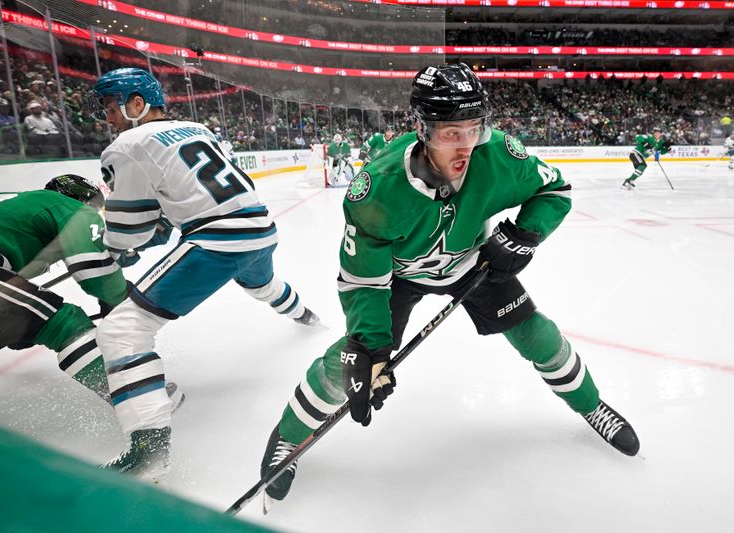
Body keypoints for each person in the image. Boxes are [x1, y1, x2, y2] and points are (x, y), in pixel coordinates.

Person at [257, 63, 641, 511]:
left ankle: (590, 404)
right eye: (450, 133)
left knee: (536, 333)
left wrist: (525, 233)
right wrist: (372, 348)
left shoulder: (498, 156)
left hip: (474, 263)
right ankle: (288, 437)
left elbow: (556, 190)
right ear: (421, 129)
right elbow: (363, 281)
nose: (465, 146)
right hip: (400, 278)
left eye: (474, 130)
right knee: (350, 360)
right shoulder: (378, 191)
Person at [91, 68, 320, 476]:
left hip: (217, 240)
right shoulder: (196, 128)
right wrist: (160, 226)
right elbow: (184, 195)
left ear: (136, 104)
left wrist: (113, 250)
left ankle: (150, 454)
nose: (107, 118)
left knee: (120, 331)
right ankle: (308, 318)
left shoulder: (127, 144)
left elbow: (132, 229)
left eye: (111, 108)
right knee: (265, 287)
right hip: (260, 229)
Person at [0, 175, 132, 403]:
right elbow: (96, 273)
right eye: (95, 207)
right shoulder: (68, 206)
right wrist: (122, 301)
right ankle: (136, 397)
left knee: (27, 315)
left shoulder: (17, 205)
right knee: (64, 325)